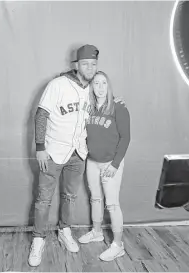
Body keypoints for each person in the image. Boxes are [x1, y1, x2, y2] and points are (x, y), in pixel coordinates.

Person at [28, 45, 124, 267]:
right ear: (76, 65)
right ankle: (38, 239)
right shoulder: (58, 84)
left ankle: (65, 230)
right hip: (53, 151)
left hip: (78, 152)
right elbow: (41, 115)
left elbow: (106, 102)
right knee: (44, 199)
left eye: (93, 64)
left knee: (69, 196)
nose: (89, 68)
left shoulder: (93, 89)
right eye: (85, 64)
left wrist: (118, 102)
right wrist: (40, 147)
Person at [77, 71, 130, 262]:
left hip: (110, 163)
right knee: (95, 199)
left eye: (103, 83)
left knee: (112, 204)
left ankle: (118, 245)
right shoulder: (88, 108)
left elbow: (125, 138)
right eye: (96, 83)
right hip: (92, 162)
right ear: (91, 87)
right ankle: (97, 232)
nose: (100, 87)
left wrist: (115, 165)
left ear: (109, 86)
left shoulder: (118, 107)